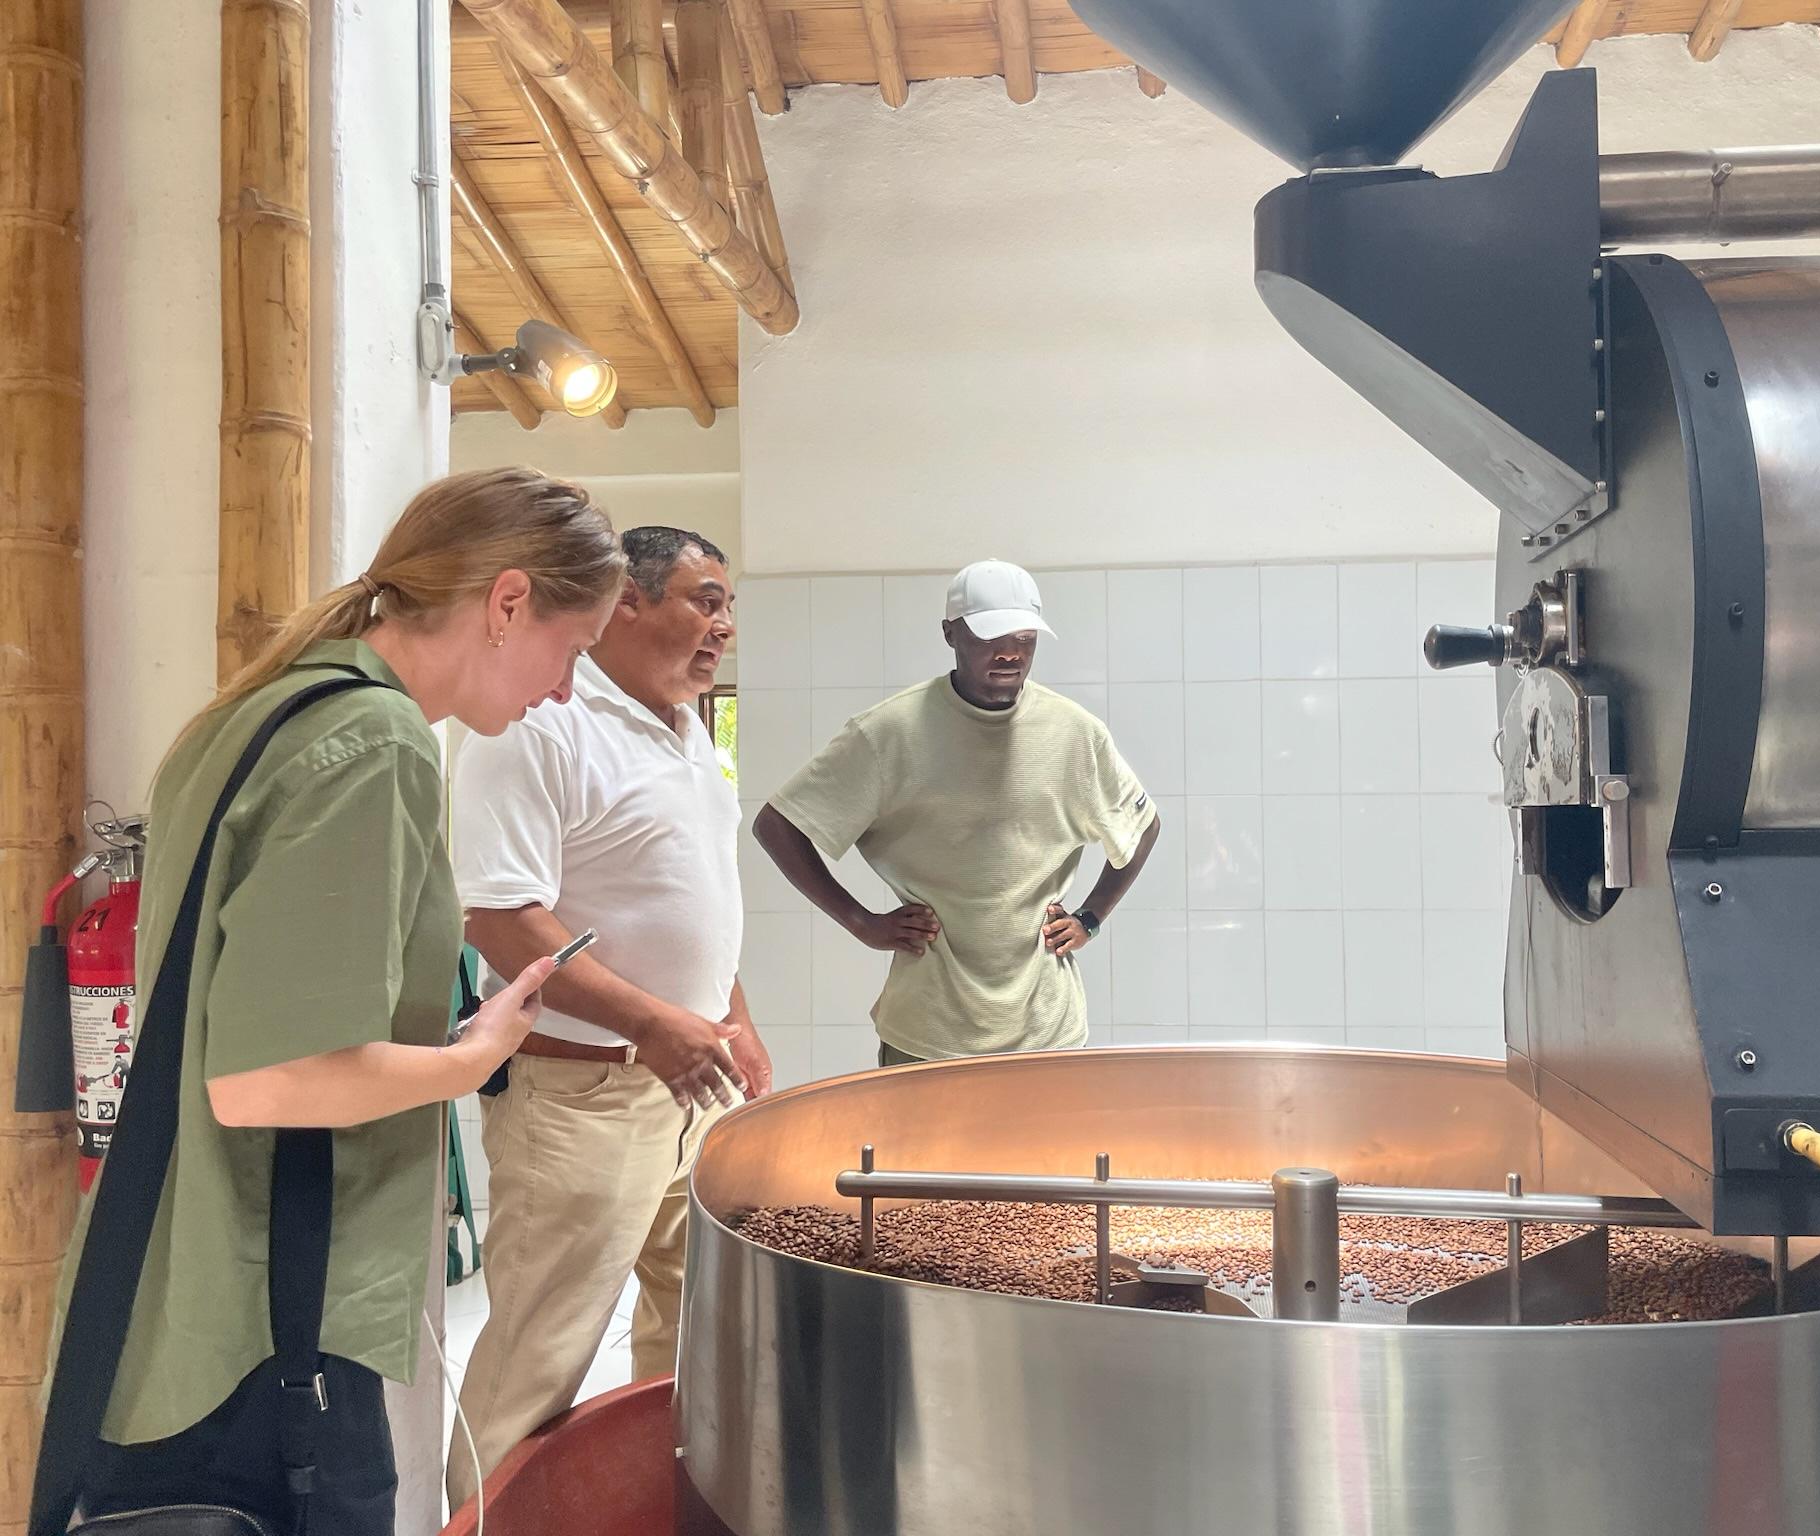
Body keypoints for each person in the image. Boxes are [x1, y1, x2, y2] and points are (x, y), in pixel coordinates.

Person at [42, 468, 628, 1536]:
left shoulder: (265, 708)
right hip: (266, 1324)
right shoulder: (377, 745)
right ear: (506, 603)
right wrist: (474, 1054)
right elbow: (268, 1082)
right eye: (573, 650)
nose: (562, 692)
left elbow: (263, 1030)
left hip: (182, 1295)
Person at [444, 526, 769, 1510]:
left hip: (692, 1089)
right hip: (581, 1094)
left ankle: (641, 1510)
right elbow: (501, 917)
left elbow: (697, 900)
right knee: (542, 1352)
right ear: (622, 602)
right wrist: (652, 1025)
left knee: (693, 1332)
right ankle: (477, 1522)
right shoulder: (543, 723)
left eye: (725, 606)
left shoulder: (684, 725)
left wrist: (731, 1017)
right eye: (702, 600)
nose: (722, 625)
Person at [755, 559, 1162, 1064]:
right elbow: (777, 824)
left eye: (1025, 638)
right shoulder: (890, 733)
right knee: (917, 1149)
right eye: (990, 637)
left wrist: (1091, 918)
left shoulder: (1075, 733)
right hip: (927, 1030)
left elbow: (1143, 827)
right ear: (950, 633)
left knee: (1045, 1149)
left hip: (1047, 1030)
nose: (1010, 653)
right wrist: (862, 922)